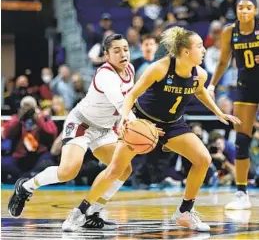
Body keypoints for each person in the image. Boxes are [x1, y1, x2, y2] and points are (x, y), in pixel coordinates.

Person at [81, 27, 241, 232]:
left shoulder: (199, 74)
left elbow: (200, 92)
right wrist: (125, 119)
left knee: (203, 159)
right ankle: (82, 211)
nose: (204, 50)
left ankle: (184, 212)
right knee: (116, 169)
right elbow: (131, 95)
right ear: (184, 51)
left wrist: (219, 112)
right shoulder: (160, 68)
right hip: (143, 122)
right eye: (199, 46)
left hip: (173, 124)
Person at [8, 34, 136, 232]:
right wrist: (136, 126)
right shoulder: (105, 74)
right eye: (117, 50)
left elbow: (129, 102)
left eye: (125, 49)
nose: (123, 54)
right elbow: (121, 104)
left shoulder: (130, 69)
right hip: (82, 124)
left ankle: (92, 212)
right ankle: (26, 187)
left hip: (105, 128)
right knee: (68, 171)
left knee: (124, 168)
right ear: (107, 55)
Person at [208, 0, 259, 209]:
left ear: (255, 10)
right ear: (237, 10)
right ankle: (241, 193)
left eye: (249, 8)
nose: (244, 11)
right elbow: (222, 62)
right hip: (246, 87)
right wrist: (211, 85)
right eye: (241, 8)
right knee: (242, 139)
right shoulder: (230, 31)